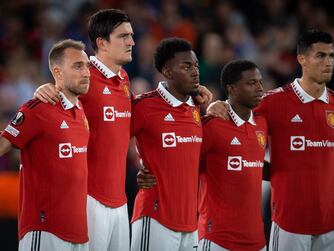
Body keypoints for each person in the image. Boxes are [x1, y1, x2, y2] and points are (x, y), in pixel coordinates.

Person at [34, 8, 212, 251]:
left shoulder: (124, 80)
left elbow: (132, 128)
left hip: (119, 202)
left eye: (131, 35)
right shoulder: (83, 76)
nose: (132, 41)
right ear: (102, 43)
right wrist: (45, 89)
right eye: (123, 36)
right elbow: (56, 99)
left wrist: (146, 162)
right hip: (88, 197)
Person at [207, 29, 334, 251]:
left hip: (331, 224)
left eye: (331, 55)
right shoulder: (274, 102)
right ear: (302, 59)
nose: (328, 62)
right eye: (320, 56)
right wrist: (219, 104)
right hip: (289, 225)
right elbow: (238, 111)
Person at [0, 39, 91, 250]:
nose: (86, 72)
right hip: (45, 230)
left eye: (86, 65)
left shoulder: (80, 111)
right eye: (78, 66)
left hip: (79, 233)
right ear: (58, 73)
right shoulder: (38, 108)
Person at [130, 38, 202, 251]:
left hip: (191, 223)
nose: (195, 71)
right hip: (155, 218)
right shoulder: (144, 106)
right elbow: (110, 140)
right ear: (168, 72)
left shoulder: (197, 108)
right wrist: (132, 167)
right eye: (186, 66)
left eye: (196, 66)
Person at [198, 59, 267, 251]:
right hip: (218, 240)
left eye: (260, 82)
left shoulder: (262, 123)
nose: (260, 88)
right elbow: (185, 164)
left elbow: (256, 166)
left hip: (257, 241)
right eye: (251, 83)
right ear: (232, 89)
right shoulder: (211, 125)